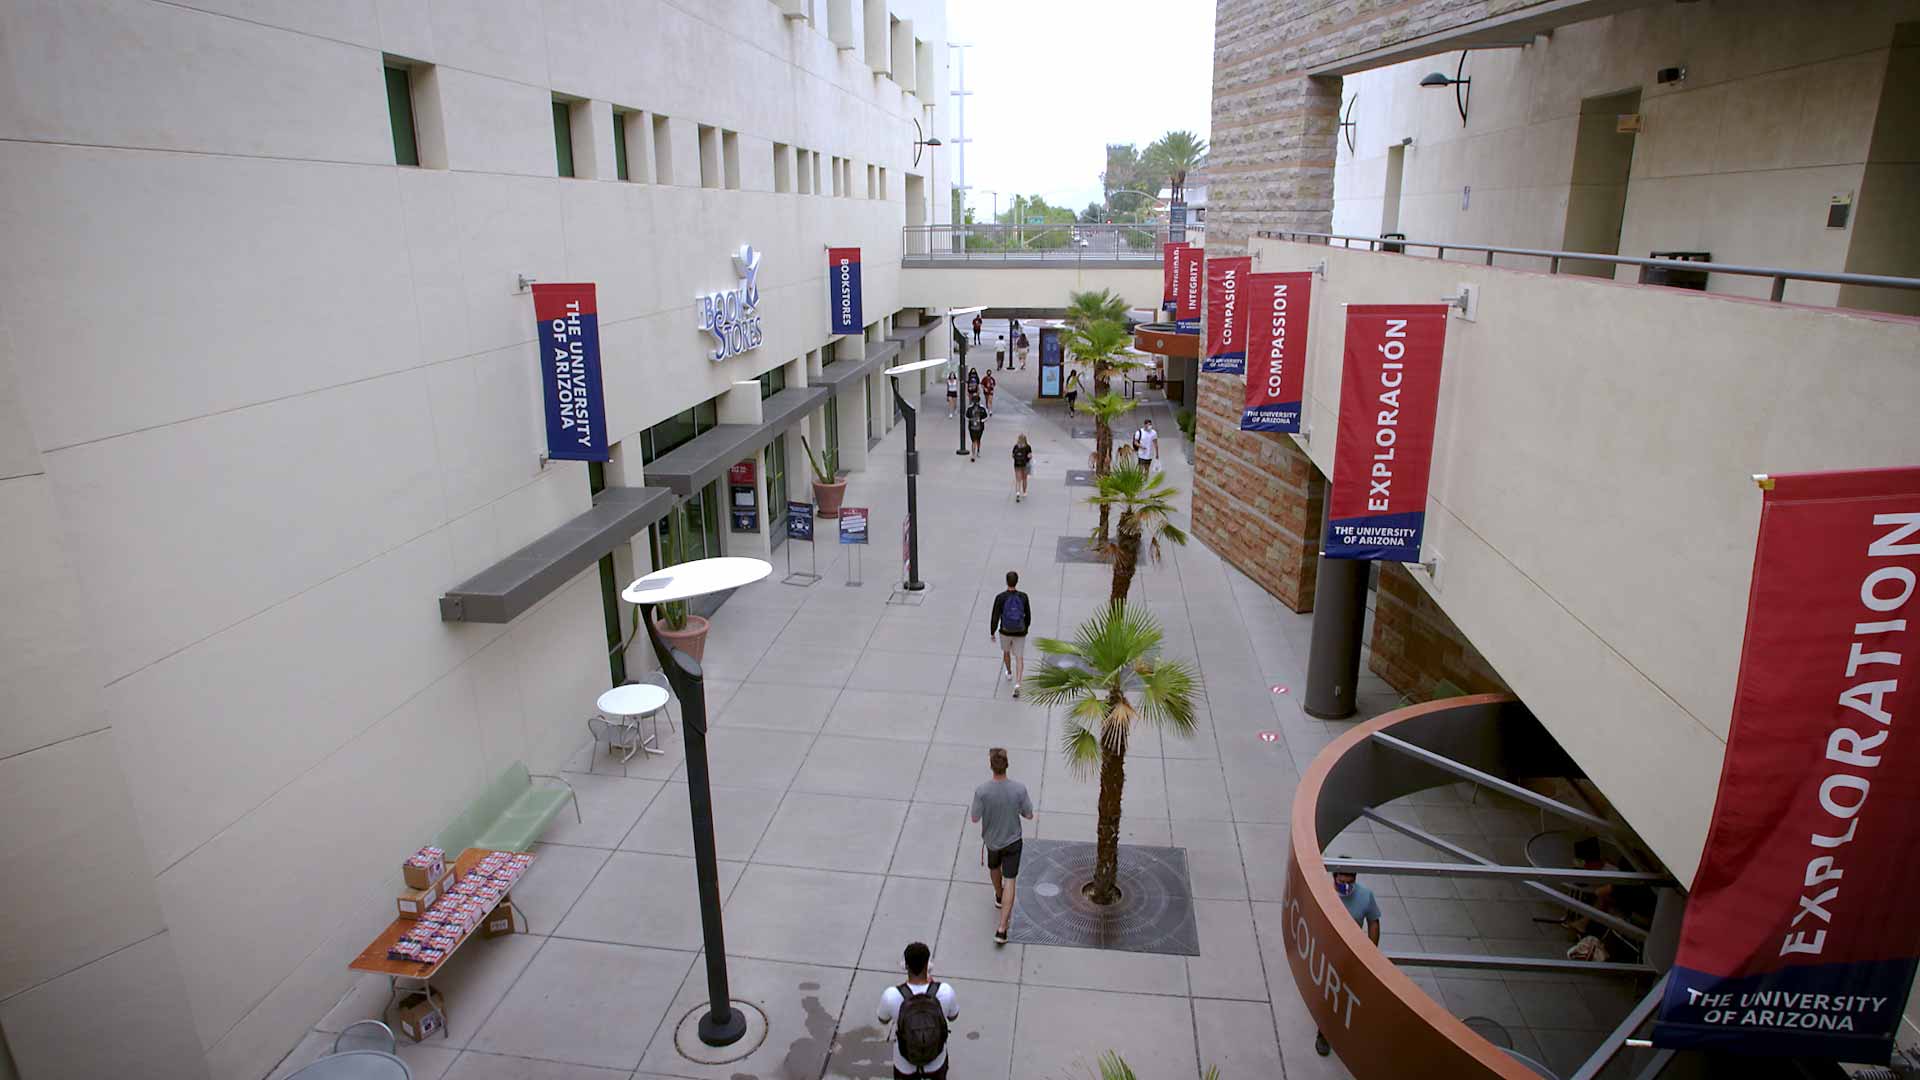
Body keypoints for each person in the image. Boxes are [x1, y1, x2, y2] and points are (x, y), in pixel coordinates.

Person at [970, 747, 1034, 944]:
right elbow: (1029, 815)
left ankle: (998, 894)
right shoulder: (1019, 789)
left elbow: (974, 818)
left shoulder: (982, 791)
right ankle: (1002, 928)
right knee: (1011, 880)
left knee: (994, 867)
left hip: (992, 842)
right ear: (1007, 765)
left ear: (991, 767)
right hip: (1013, 841)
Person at [1316, 870, 1382, 1057]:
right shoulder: (1325, 892)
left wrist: (1371, 950)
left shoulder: (1365, 896)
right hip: (1328, 949)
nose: (1345, 888)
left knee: (1344, 992)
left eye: (1349, 883)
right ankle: (1324, 1033)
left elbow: (1373, 922)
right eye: (1341, 883)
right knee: (1328, 993)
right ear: (1334, 878)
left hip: (1351, 952)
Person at [877, 941, 959, 1079]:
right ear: (928, 965)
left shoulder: (891, 995)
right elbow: (953, 1016)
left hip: (904, 1063)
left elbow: (883, 1019)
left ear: (905, 966)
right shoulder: (945, 991)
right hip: (936, 1062)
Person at [988, 570, 1031, 696]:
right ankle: (1018, 683)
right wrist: (1025, 628)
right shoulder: (1023, 597)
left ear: (1007, 581)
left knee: (1006, 652)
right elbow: (1028, 615)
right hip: (1020, 631)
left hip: (1005, 631)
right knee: (1019, 657)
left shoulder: (1000, 597)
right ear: (1017, 582)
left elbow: (995, 616)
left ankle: (1009, 672)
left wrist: (992, 631)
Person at [965, 393, 988, 461]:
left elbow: (986, 417)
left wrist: (981, 420)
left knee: (976, 440)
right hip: (974, 427)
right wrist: (971, 420)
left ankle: (977, 451)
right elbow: (966, 417)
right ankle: (974, 454)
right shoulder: (970, 408)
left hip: (977, 427)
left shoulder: (981, 408)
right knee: (975, 440)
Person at [1011, 434, 1032, 502]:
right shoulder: (1028, 447)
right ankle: (1024, 492)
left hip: (1017, 464)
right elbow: (1030, 456)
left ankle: (1017, 493)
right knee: (1024, 479)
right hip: (1025, 465)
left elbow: (1013, 455)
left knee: (1018, 480)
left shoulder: (1016, 446)